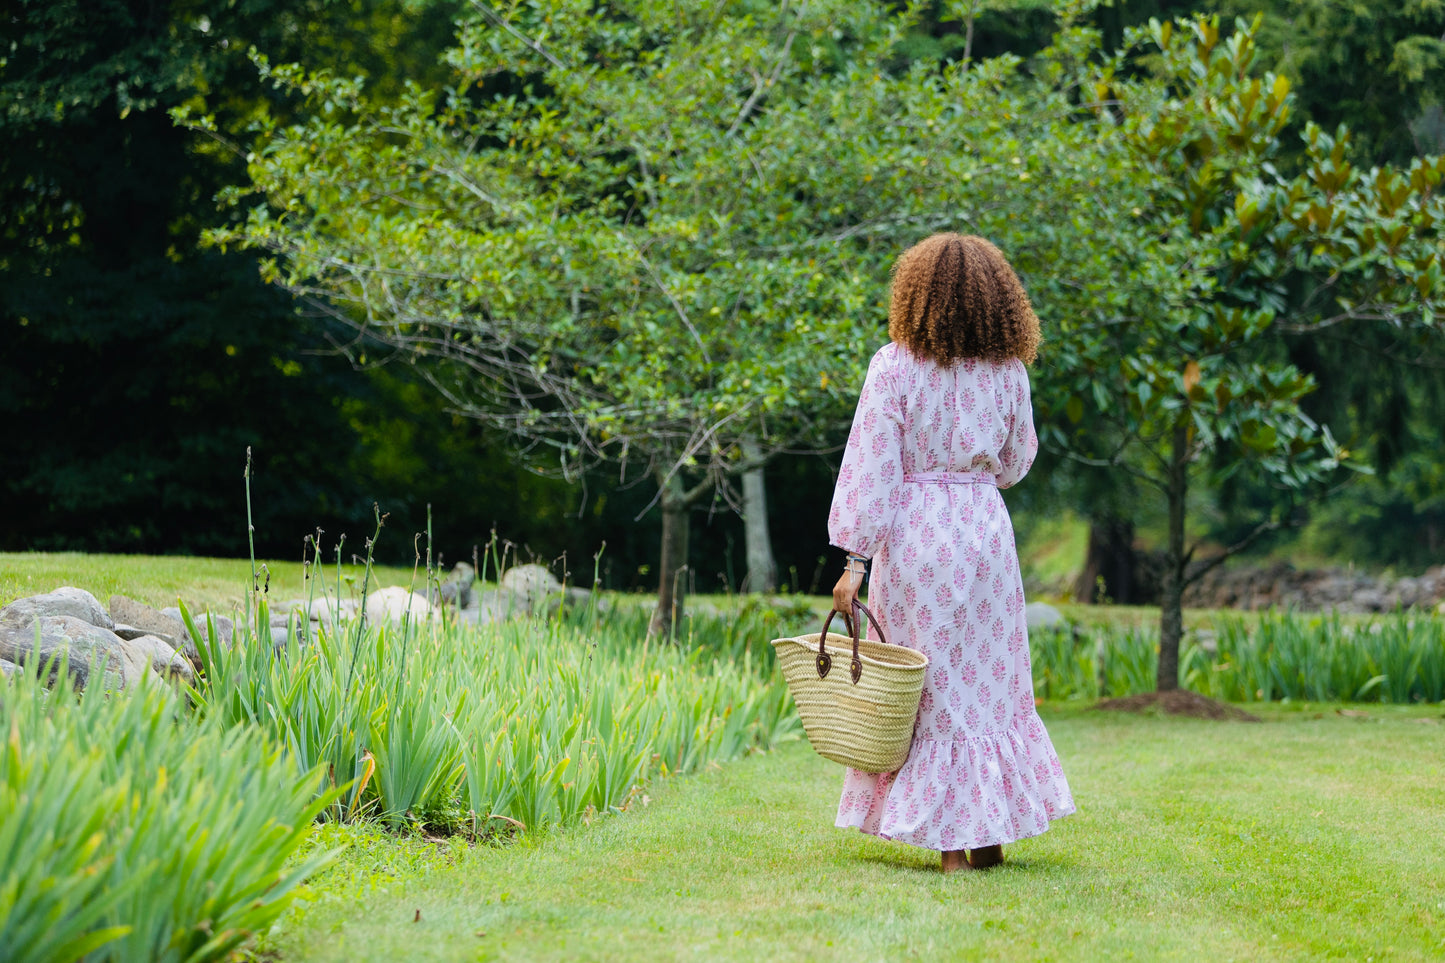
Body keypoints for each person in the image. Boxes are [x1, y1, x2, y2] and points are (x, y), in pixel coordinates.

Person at [828, 233, 1075, 874]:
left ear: (917, 295)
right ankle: (988, 837)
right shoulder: (1009, 371)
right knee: (991, 682)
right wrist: (972, 479)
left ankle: (951, 848)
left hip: (918, 537)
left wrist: (854, 561)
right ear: (997, 299)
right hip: (985, 533)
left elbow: (871, 467)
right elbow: (1017, 461)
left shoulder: (894, 366)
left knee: (932, 682)